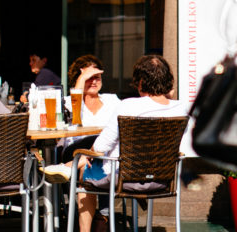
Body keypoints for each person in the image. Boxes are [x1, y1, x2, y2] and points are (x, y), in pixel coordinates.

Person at [50, 54, 188, 232]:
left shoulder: (128, 106)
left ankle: (69, 172)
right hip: (163, 180)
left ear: (140, 82)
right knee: (91, 160)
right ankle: (101, 216)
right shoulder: (182, 108)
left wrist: (85, 156)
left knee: (86, 166)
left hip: (125, 177)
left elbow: (100, 148)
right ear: (168, 80)